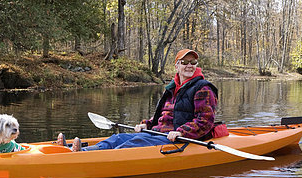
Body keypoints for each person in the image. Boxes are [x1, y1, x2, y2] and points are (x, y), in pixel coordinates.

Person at [66, 48, 218, 151]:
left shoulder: (203, 88)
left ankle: (86, 156)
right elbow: (163, 116)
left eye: (193, 63)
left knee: (134, 143)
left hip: (177, 137)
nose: (189, 66)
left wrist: (181, 132)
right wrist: (147, 124)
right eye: (185, 62)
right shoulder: (172, 88)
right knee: (118, 137)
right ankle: (80, 150)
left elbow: (205, 121)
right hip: (158, 133)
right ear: (177, 66)